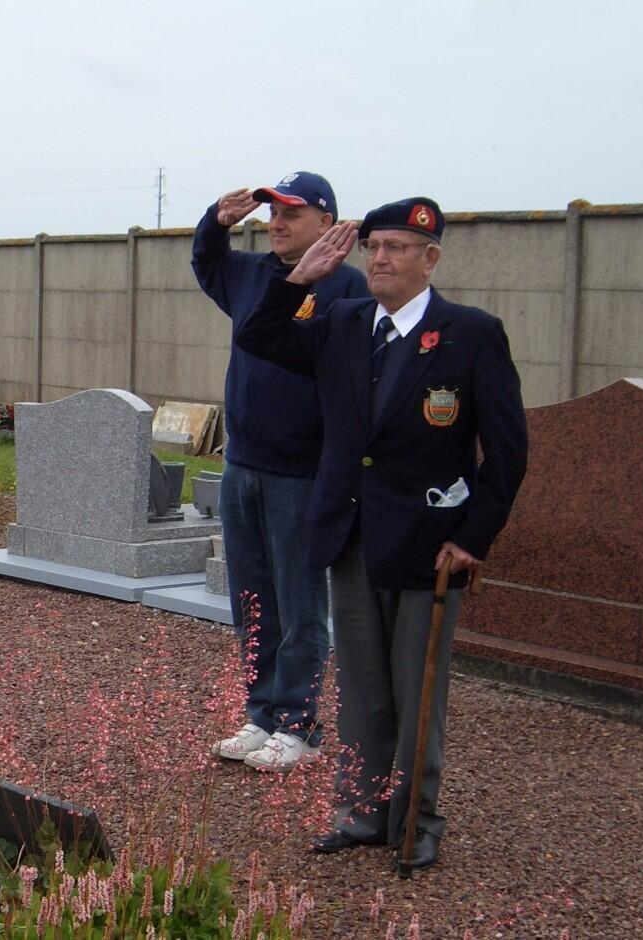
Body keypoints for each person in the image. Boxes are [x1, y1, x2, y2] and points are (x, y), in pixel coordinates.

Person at [235, 197, 528, 867]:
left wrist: (475, 538)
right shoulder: (342, 321)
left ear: (431, 259)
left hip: (431, 546)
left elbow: (507, 450)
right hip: (352, 535)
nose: (381, 258)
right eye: (373, 247)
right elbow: (259, 337)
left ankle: (416, 821)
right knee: (363, 688)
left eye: (397, 247)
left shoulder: (471, 333)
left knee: (417, 694)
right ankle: (362, 811)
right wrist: (300, 277)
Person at [191, 171, 369, 771]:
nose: (277, 222)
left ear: (327, 222)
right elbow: (207, 260)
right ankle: (261, 712)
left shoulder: (347, 290)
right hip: (242, 463)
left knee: (298, 606)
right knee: (252, 601)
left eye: (292, 213)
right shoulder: (248, 274)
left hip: (300, 471)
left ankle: (300, 724)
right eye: (272, 211)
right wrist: (214, 221)